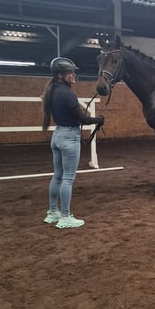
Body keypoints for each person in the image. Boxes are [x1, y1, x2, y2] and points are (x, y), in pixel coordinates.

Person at [42, 57, 104, 229]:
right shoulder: (67, 94)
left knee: (57, 176)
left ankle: (52, 212)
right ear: (60, 75)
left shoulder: (52, 91)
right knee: (68, 179)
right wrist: (98, 120)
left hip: (57, 135)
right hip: (69, 137)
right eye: (70, 72)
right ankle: (65, 216)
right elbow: (82, 118)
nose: (74, 74)